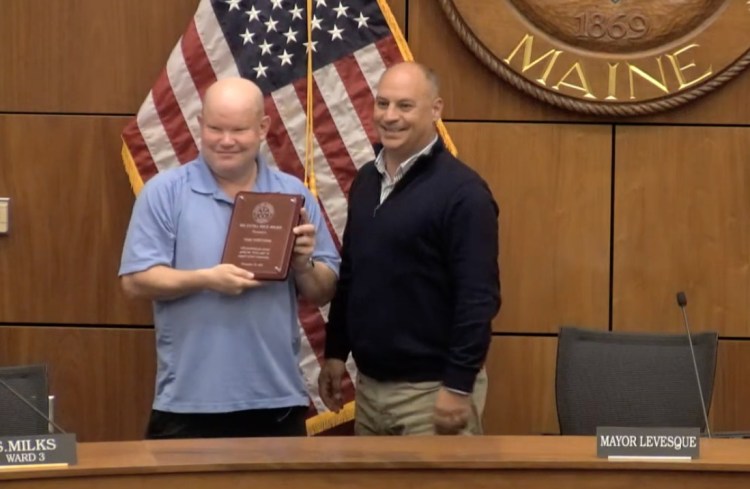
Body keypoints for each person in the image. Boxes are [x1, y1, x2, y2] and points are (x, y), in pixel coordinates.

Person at [119, 77, 340, 439]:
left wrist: (303, 264)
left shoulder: (293, 194)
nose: (225, 140)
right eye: (215, 128)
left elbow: (323, 291)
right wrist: (206, 279)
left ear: (263, 128)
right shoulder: (164, 193)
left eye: (238, 129)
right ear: (200, 125)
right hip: (189, 403)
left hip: (277, 400)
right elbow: (135, 281)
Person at [318, 62, 500, 436]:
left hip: (432, 394)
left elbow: (478, 298)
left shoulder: (464, 194)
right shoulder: (368, 180)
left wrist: (457, 385)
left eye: (404, 106)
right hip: (369, 392)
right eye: (382, 104)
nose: (389, 116)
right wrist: (336, 352)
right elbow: (352, 272)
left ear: (435, 110)